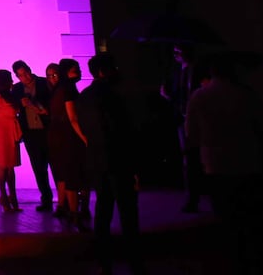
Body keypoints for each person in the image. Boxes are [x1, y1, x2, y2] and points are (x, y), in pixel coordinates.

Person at [184, 53, 263, 275]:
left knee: (227, 220)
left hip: (215, 165)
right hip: (248, 163)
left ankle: (236, 263)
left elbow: (191, 135)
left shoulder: (199, 97)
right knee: (253, 221)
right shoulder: (246, 95)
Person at [77, 53, 147, 275]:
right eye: (113, 67)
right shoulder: (114, 96)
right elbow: (123, 131)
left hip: (97, 160)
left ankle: (103, 260)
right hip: (118, 159)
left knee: (103, 210)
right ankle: (134, 261)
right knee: (127, 211)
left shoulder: (84, 96)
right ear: (104, 71)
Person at [47, 57, 90, 231]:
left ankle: (67, 209)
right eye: (75, 69)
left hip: (57, 136)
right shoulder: (69, 90)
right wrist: (85, 137)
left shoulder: (58, 90)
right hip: (68, 137)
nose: (79, 71)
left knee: (65, 173)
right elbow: (72, 118)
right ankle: (76, 213)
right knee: (73, 174)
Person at [160, 43, 204, 212]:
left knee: (197, 158)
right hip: (183, 119)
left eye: (178, 51)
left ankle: (197, 196)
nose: (175, 54)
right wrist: (168, 96)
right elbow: (178, 97)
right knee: (189, 158)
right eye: (174, 51)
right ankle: (192, 198)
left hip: (198, 119)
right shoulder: (177, 72)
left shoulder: (198, 70)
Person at [10, 59, 54, 211]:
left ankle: (66, 199)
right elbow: (12, 109)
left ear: (30, 69)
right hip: (30, 133)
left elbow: (52, 104)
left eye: (26, 73)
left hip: (47, 130)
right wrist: (19, 105)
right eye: (21, 75)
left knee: (55, 165)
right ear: (17, 77)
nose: (26, 77)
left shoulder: (44, 83)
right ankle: (46, 199)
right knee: (38, 168)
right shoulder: (16, 90)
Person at [0, 68, 23, 211]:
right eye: (9, 79)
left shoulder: (11, 96)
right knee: (3, 165)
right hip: (1, 132)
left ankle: (12, 196)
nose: (12, 81)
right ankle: (4, 195)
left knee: (10, 166)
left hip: (11, 131)